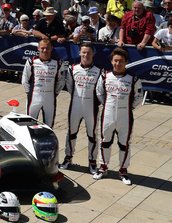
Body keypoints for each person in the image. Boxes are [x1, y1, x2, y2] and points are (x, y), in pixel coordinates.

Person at [94, 47, 143, 185]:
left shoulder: (133, 78)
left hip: (125, 116)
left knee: (124, 144)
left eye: (121, 61)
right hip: (108, 114)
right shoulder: (105, 76)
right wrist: (107, 105)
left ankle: (123, 170)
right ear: (111, 61)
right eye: (115, 61)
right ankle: (103, 168)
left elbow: (139, 96)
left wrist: (130, 107)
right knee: (105, 141)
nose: (118, 63)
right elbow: (99, 93)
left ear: (126, 62)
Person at [61, 42, 102, 173]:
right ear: (79, 53)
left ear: (93, 54)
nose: (86, 55)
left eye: (89, 53)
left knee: (92, 135)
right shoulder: (72, 68)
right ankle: (68, 158)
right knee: (72, 133)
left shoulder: (100, 71)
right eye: (83, 52)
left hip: (92, 107)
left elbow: (101, 91)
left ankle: (92, 162)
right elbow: (70, 87)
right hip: (75, 105)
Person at [21, 38, 64, 127]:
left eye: (47, 48)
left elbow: (61, 80)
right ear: (38, 48)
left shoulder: (58, 62)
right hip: (34, 96)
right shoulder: (31, 61)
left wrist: (55, 93)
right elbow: (25, 79)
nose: (45, 50)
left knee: (49, 125)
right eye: (42, 48)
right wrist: (29, 93)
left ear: (51, 48)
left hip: (50, 97)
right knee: (29, 124)